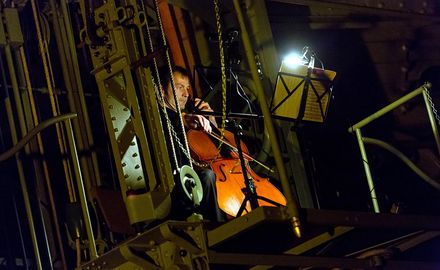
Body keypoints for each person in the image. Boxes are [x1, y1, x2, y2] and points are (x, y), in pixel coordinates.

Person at [159, 65, 225, 222]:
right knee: (207, 177)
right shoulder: (159, 117)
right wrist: (185, 119)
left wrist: (212, 123)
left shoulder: (190, 115)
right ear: (162, 91)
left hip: (195, 180)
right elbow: (173, 120)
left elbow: (217, 150)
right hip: (174, 191)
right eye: (179, 87)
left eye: (188, 88)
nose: (186, 94)